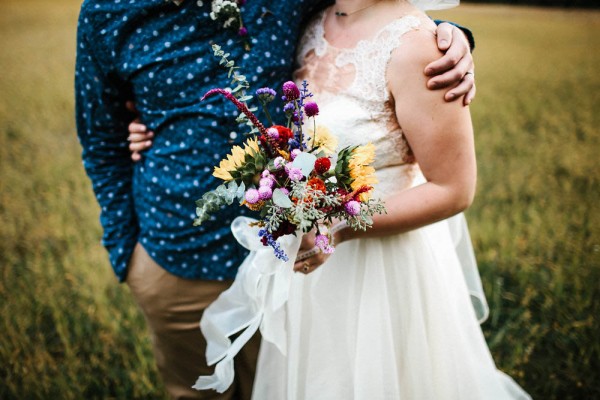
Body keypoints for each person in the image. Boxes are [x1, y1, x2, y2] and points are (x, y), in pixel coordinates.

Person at [75, 0, 475, 399]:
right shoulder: (110, 13)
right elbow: (100, 139)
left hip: (298, 267)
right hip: (179, 256)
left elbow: (369, 21)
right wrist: (126, 253)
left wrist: (450, 37)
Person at [189, 0, 533, 399]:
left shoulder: (420, 47)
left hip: (383, 271)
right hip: (309, 270)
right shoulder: (310, 21)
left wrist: (336, 227)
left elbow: (454, 188)